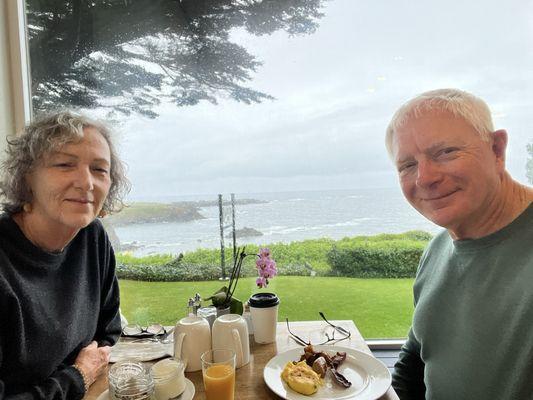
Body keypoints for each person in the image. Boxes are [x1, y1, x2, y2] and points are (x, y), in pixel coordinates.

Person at [385, 88, 533, 400]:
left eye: (445, 152)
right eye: (407, 165)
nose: (424, 177)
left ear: (497, 149)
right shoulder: (437, 249)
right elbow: (414, 360)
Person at [0, 112, 130, 399]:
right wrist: (77, 376)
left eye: (99, 169)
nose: (86, 182)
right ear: (27, 177)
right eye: (64, 164)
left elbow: (107, 330)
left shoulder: (92, 237)